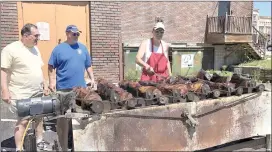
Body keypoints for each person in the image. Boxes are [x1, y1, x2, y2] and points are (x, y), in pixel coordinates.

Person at [1, 23, 49, 151]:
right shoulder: (10, 49)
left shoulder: (35, 49)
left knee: (38, 117)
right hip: (21, 93)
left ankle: (39, 141)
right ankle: (19, 148)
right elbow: (3, 71)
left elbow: (39, 68)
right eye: (36, 36)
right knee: (23, 121)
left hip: (37, 92)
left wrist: (45, 84)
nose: (38, 38)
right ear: (26, 35)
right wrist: (5, 91)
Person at [48, 25, 95, 151]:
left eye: (78, 34)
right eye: (74, 34)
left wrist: (92, 78)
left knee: (79, 116)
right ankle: (63, 146)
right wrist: (52, 81)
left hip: (80, 90)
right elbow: (51, 66)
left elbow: (88, 65)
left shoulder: (83, 48)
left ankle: (78, 145)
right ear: (67, 33)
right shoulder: (59, 49)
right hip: (63, 90)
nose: (76, 36)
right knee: (63, 119)